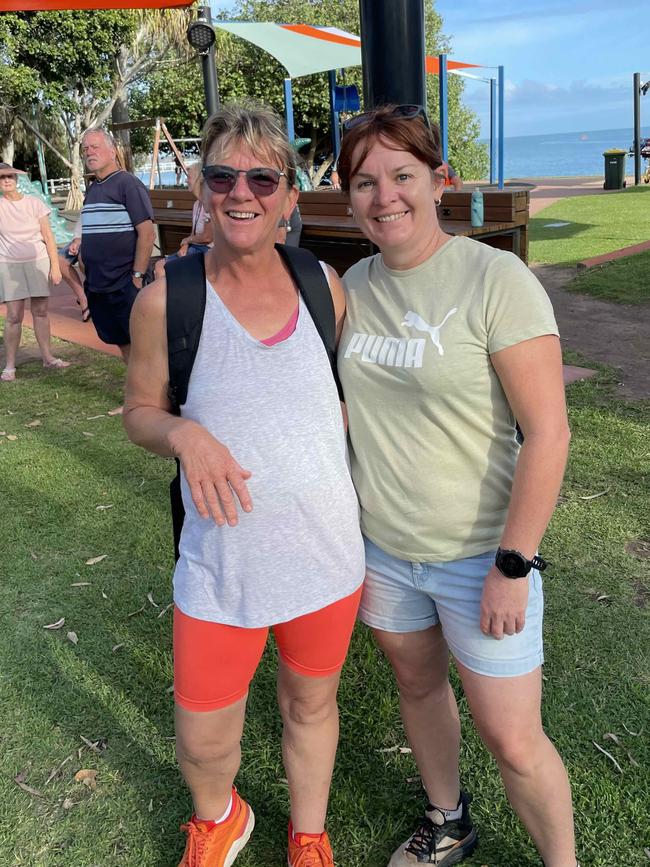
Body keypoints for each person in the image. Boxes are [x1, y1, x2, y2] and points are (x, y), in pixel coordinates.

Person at [123, 103, 365, 867]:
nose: (242, 192)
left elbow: (345, 404)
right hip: (221, 566)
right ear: (201, 185)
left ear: (290, 196)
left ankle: (309, 834)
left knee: (310, 704)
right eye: (224, 174)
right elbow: (138, 413)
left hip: (326, 558)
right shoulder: (169, 297)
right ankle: (220, 817)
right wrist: (184, 432)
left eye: (264, 177)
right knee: (202, 734)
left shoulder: (325, 285)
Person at [336, 105, 577, 867]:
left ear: (440, 181)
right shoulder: (353, 286)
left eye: (402, 175)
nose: (385, 197)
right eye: (365, 182)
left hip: (483, 556)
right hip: (385, 549)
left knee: (513, 736)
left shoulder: (494, 278)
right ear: (347, 197)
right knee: (417, 685)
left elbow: (549, 432)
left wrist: (515, 564)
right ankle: (448, 818)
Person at [80, 128, 155, 362]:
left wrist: (137, 276)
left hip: (124, 283)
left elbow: (147, 234)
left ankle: (158, 396)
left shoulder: (127, 184)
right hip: (98, 285)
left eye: (95, 147)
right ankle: (137, 395)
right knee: (122, 342)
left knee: (143, 344)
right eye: (85, 149)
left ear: (112, 151)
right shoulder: (92, 190)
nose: (89, 152)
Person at [0, 162, 70, 381]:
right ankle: (10, 365)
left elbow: (49, 237)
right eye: (2, 178)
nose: (7, 181)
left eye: (10, 176)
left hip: (38, 261)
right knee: (13, 316)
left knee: (40, 311)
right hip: (9, 263)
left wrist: (55, 267)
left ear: (16, 179)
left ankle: (48, 357)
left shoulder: (34, 203)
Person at [153, 164, 213, 280]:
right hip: (196, 248)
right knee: (160, 266)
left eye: (189, 177)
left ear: (198, 179)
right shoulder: (197, 204)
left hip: (207, 251)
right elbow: (193, 234)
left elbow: (207, 237)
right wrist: (185, 245)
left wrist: (186, 240)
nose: (186, 180)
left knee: (162, 267)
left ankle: (169, 296)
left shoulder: (209, 204)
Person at [58, 217, 91, 321]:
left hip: (110, 237)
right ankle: (83, 298)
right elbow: (83, 217)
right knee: (60, 260)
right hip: (87, 238)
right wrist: (77, 240)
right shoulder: (89, 201)